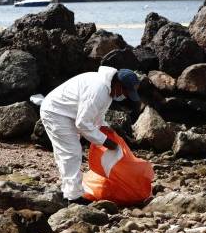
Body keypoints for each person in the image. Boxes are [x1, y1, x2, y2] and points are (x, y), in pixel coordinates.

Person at [40, 66, 141, 204]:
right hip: (56, 112)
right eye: (125, 91)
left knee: (68, 153)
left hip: (68, 113)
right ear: (118, 84)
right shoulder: (98, 89)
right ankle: (73, 198)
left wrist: (105, 128)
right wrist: (105, 141)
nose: (124, 96)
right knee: (71, 152)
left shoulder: (108, 89)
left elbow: (96, 115)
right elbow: (83, 123)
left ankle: (69, 191)